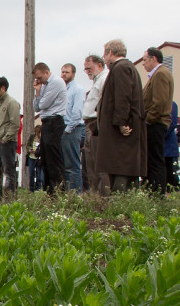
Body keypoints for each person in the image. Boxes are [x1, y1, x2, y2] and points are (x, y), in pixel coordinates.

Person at [94, 39, 146, 194]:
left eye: (104, 54)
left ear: (111, 53)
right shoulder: (126, 68)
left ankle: (120, 199)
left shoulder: (121, 68)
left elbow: (123, 97)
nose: (104, 58)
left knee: (121, 165)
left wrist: (121, 122)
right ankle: (123, 199)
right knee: (120, 165)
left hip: (122, 130)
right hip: (124, 127)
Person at [141, 47, 174, 194]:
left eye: (144, 60)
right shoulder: (156, 75)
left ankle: (157, 192)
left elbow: (159, 101)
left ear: (153, 59)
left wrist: (148, 119)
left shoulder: (160, 74)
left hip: (156, 124)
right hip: (154, 123)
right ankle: (152, 190)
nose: (143, 63)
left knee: (155, 160)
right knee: (151, 160)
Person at [32, 62, 67, 194]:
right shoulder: (44, 86)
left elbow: (43, 104)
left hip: (55, 122)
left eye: (40, 77)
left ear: (47, 72)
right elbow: (36, 107)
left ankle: (59, 190)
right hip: (46, 123)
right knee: (45, 160)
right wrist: (37, 91)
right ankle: (49, 191)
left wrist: (40, 97)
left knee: (54, 160)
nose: (38, 81)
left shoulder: (56, 82)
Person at [0, 76, 20, 201]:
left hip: (7, 142)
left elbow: (15, 124)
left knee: (8, 170)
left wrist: (5, 138)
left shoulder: (12, 103)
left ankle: (10, 197)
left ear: (3, 88)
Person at [82, 54, 108, 192]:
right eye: (85, 69)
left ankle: (101, 194)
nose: (87, 71)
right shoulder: (96, 81)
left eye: (89, 68)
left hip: (95, 123)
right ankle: (94, 193)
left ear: (99, 65)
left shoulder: (104, 79)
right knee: (89, 162)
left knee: (96, 161)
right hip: (89, 123)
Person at [60, 63, 86, 192]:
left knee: (72, 164)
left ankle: (76, 194)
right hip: (63, 128)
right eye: (63, 72)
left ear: (73, 74)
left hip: (73, 128)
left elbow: (77, 113)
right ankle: (67, 192)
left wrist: (67, 130)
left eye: (67, 72)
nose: (64, 74)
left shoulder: (78, 89)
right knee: (64, 164)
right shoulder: (63, 89)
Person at [164, 101, 180, 191]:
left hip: (168, 145)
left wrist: (160, 135)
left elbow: (172, 124)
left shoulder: (172, 104)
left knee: (170, 171)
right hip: (159, 144)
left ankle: (175, 190)